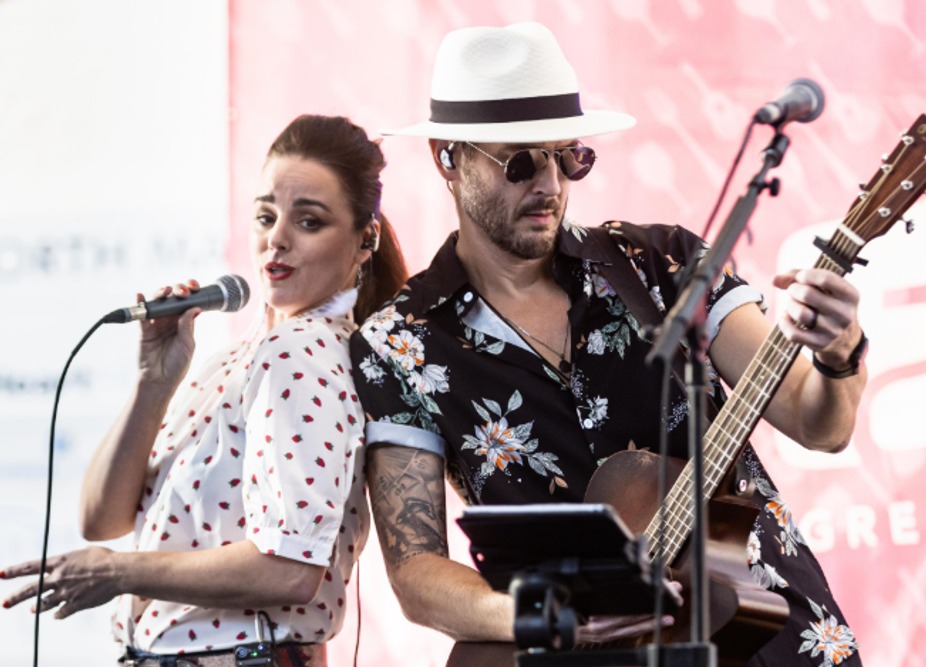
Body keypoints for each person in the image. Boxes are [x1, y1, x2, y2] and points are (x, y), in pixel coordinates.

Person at [349, 22, 865, 666]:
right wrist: (549, 620)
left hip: (765, 632)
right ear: (447, 158)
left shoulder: (662, 263)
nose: (550, 184)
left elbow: (820, 425)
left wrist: (839, 353)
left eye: (569, 156)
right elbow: (416, 573)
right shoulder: (397, 344)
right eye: (520, 161)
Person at [1, 114, 407, 666]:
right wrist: (154, 383)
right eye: (265, 216)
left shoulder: (300, 352)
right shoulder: (238, 358)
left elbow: (290, 569)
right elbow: (102, 518)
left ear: (365, 240)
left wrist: (118, 572)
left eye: (309, 221)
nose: (277, 239)